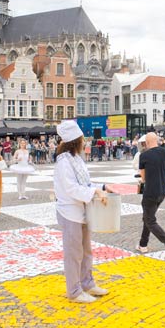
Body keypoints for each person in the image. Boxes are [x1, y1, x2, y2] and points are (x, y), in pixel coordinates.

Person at [53, 120, 114, 304]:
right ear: (75, 140)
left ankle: (87, 283)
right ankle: (74, 291)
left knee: (86, 250)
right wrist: (93, 192)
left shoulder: (77, 159)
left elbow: (85, 184)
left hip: (82, 210)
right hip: (69, 212)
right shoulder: (64, 162)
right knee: (73, 253)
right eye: (82, 138)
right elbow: (71, 188)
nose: (84, 141)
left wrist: (102, 186)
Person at [138, 132, 165, 258]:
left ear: (146, 142)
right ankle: (143, 244)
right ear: (156, 140)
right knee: (148, 217)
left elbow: (143, 177)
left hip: (150, 191)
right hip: (162, 191)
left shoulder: (144, 155)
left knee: (150, 220)